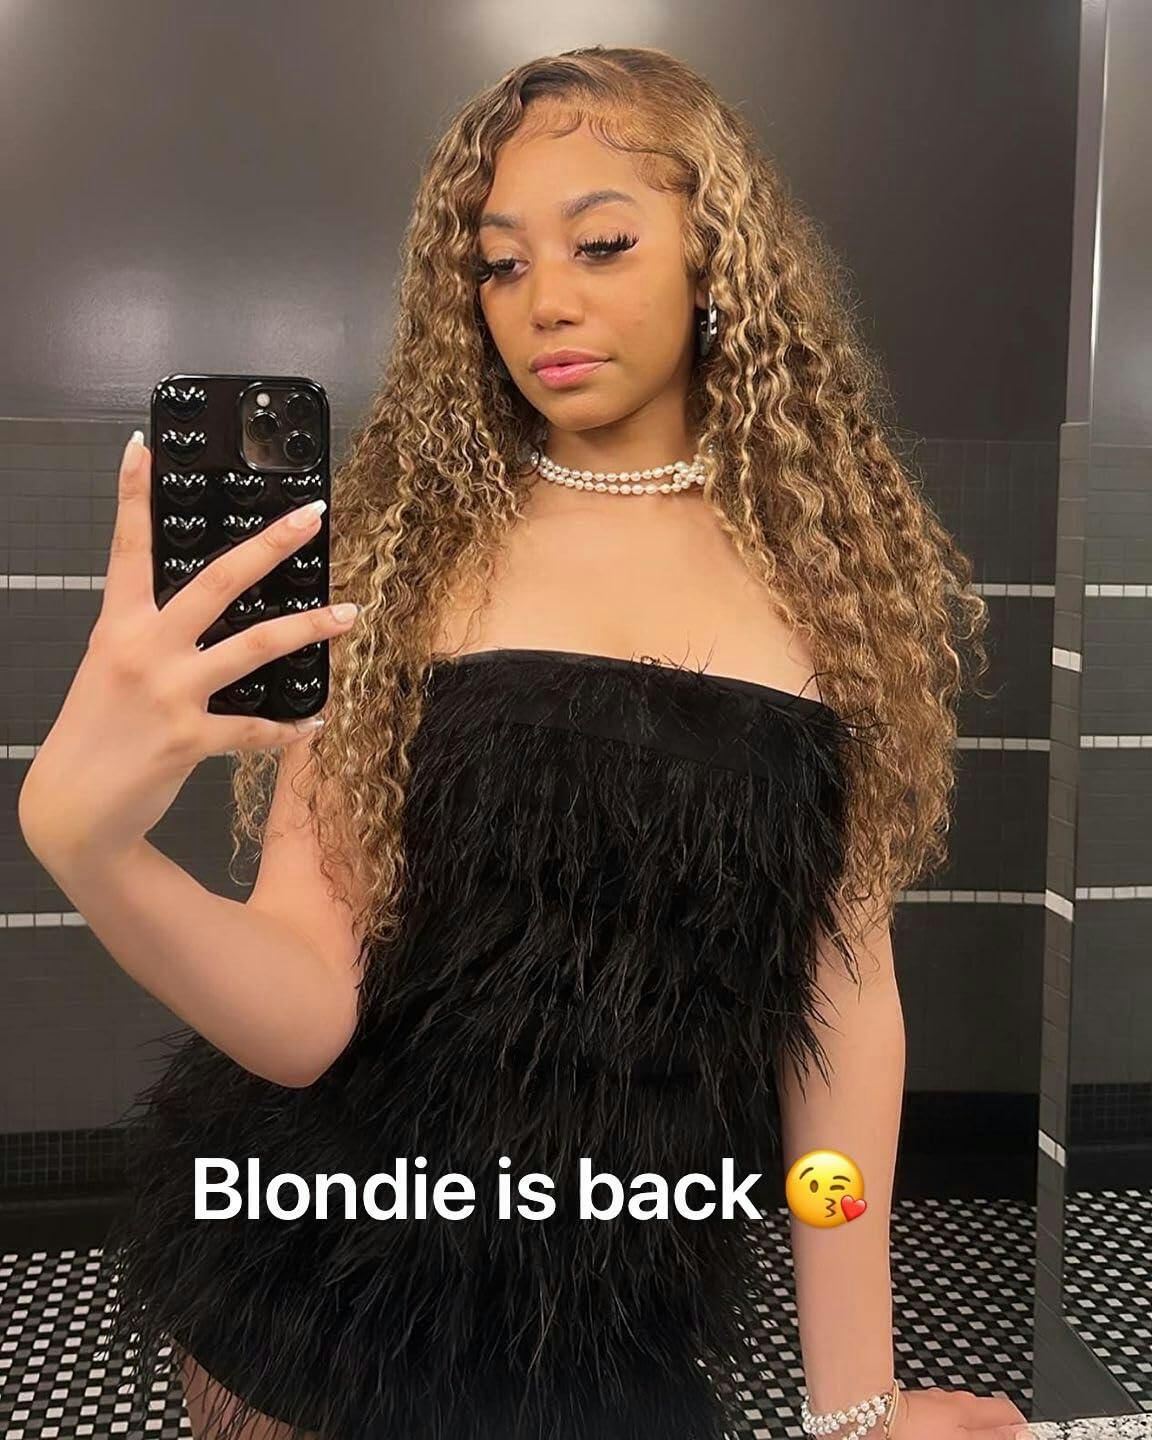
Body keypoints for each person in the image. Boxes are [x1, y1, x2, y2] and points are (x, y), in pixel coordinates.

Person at [18, 44, 1035, 1440]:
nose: (544, 298)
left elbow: (845, 1015)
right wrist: (90, 846)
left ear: (716, 255)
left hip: (623, 1321)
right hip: (321, 1290)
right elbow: (306, 1019)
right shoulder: (405, 559)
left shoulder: (838, 581)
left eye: (601, 244)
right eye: (499, 264)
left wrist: (855, 1399)